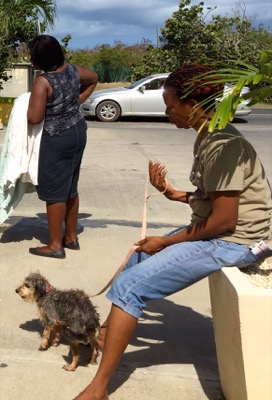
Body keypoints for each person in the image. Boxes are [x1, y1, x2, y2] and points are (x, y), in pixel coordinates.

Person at [73, 64, 272, 400]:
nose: (167, 112)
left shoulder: (224, 146)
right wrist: (170, 191)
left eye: (170, 105)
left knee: (128, 288)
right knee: (140, 252)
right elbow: (211, 199)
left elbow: (223, 221)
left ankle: (99, 389)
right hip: (221, 232)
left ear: (192, 106)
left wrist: (166, 240)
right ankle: (106, 333)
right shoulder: (210, 136)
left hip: (235, 242)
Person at [27, 35, 98, 258]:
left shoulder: (43, 81)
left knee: (55, 191)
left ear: (39, 59)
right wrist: (77, 101)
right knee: (70, 186)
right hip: (78, 131)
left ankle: (55, 245)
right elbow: (94, 77)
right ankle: (71, 237)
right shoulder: (72, 70)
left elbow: (35, 118)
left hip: (57, 137)